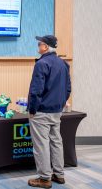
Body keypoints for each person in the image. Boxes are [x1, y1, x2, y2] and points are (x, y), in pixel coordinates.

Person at [27, 35, 71, 188]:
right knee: (56, 142)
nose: (38, 46)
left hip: (41, 112)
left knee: (41, 144)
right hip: (56, 111)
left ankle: (45, 178)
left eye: (40, 44)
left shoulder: (41, 63)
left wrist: (32, 109)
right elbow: (68, 89)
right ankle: (59, 175)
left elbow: (36, 90)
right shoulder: (63, 64)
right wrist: (59, 104)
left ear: (45, 47)